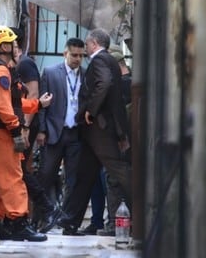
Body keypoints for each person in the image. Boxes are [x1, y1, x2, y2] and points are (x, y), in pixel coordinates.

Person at [0, 25, 53, 242]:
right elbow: (4, 107)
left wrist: (37, 104)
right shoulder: (0, 72)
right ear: (3, 46)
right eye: (13, 44)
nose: (17, 48)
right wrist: (15, 129)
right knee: (13, 176)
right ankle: (19, 222)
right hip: (2, 131)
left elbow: (13, 102)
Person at [56, 29, 132, 236]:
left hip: (101, 129)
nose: (85, 48)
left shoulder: (100, 61)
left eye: (88, 45)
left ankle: (145, 211)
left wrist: (91, 109)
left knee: (119, 170)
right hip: (94, 131)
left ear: (95, 43)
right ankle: (70, 221)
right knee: (84, 175)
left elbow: (104, 83)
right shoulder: (108, 61)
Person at [10, 27, 61, 233]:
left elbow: (33, 94)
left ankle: (46, 209)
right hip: (20, 124)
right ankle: (35, 213)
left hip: (25, 125)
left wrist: (25, 127)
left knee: (19, 171)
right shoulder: (15, 65)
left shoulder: (26, 64)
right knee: (17, 171)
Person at [35, 37, 86, 232]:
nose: (78, 59)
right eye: (74, 55)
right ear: (65, 53)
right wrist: (40, 130)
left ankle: (67, 222)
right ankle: (38, 219)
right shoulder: (50, 73)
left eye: (81, 56)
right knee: (45, 176)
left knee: (72, 180)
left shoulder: (86, 74)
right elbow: (42, 104)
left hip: (76, 135)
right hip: (54, 133)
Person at [91, 47, 133, 236]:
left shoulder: (120, 86)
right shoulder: (132, 84)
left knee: (114, 181)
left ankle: (115, 225)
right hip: (130, 143)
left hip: (120, 142)